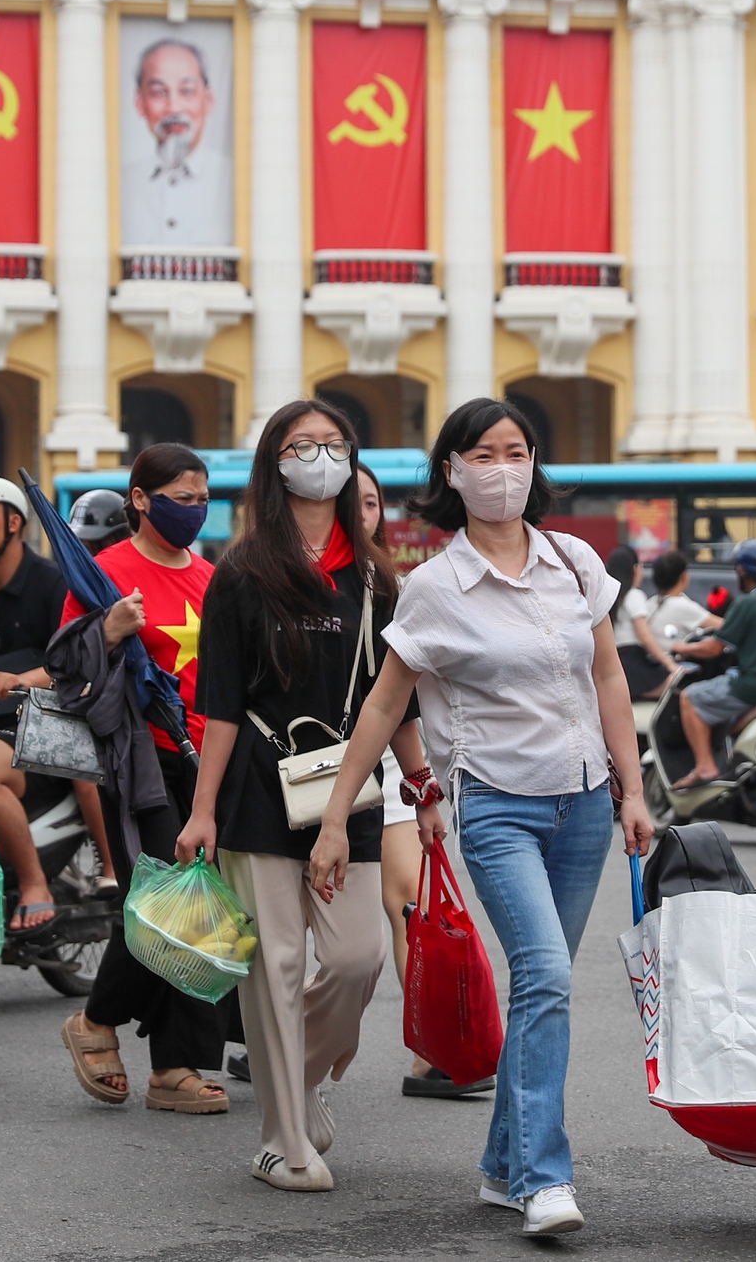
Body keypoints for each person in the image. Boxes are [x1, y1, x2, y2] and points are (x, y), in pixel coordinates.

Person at [318, 397, 657, 1237]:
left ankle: (504, 1167)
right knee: (546, 975)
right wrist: (334, 818)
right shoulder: (434, 588)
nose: (503, 468)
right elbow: (380, 708)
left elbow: (609, 679)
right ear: (452, 471)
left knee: (543, 987)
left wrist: (634, 787)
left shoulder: (575, 561)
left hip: (582, 805)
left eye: (518, 451)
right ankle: (546, 1176)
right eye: (484, 453)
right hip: (500, 809)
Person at [175, 399, 436, 1193]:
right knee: (277, 964)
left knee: (358, 957)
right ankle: (285, 1140)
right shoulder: (241, 573)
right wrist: (202, 809)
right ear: (273, 462)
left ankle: (301, 1076)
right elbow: (220, 704)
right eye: (301, 445)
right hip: (258, 785)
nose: (318, 457)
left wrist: (421, 784)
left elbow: (398, 704)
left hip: (347, 792)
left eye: (332, 444)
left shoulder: (378, 582)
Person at [56, 446, 237, 1113]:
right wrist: (107, 629)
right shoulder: (105, 574)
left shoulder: (215, 578)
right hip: (141, 760)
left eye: (200, 498)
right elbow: (65, 668)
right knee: (166, 900)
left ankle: (174, 1065)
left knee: (205, 899)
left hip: (208, 758)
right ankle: (99, 1019)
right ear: (139, 498)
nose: (193, 509)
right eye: (180, 497)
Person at [355, 462, 485, 1100]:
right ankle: (276, 1038)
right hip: (298, 766)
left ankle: (431, 1054)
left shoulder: (397, 585)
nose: (361, 513)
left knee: (410, 901)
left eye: (372, 502)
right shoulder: (267, 579)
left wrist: (422, 779)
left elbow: (403, 697)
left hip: (388, 765)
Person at [0, 477, 99, 932]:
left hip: (46, 730)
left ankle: (35, 885)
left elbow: (78, 658)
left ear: (13, 522)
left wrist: (20, 679)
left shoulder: (53, 584)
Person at [670, 539, 756, 787]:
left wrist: (682, 648)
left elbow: (714, 648)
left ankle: (705, 767)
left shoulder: (746, 603)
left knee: (690, 698)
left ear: (742, 571)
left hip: (755, 687)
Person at [125, 35, 232, 246]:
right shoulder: (120, 184)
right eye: (158, 93)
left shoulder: (231, 180)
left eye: (187, 91)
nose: (173, 107)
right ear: (139, 103)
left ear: (208, 100)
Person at [605, 546, 680, 699]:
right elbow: (645, 636)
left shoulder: (606, 596)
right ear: (635, 569)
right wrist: (670, 665)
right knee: (677, 682)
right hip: (633, 663)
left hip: (612, 663)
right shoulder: (633, 595)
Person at [646, 550, 719, 651]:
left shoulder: (650, 603)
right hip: (674, 662)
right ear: (683, 576)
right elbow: (725, 626)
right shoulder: (680, 605)